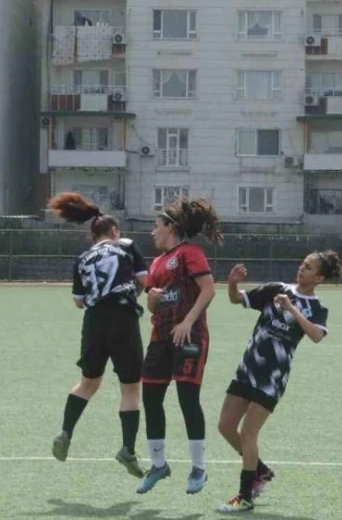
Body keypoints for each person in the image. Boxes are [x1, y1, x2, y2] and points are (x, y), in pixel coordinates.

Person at [216, 252, 341, 514]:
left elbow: (317, 335)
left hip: (272, 378)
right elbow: (236, 299)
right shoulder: (276, 289)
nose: (301, 269)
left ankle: (245, 495)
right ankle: (260, 470)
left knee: (249, 433)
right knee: (225, 426)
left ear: (318, 277)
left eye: (308, 268)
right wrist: (232, 283)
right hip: (247, 369)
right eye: (302, 264)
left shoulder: (317, 308)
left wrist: (291, 308)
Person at [47, 192, 148, 479]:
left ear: (93, 236)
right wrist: (132, 295)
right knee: (130, 387)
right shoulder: (126, 247)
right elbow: (143, 280)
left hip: (93, 321)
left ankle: (65, 431)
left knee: (88, 382)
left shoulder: (83, 258)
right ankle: (127, 449)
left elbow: (79, 301)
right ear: (114, 231)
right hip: (123, 317)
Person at [137, 196, 223, 495]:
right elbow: (151, 304)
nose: (152, 232)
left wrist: (187, 322)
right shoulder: (157, 262)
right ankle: (159, 465)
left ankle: (199, 467)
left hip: (189, 336)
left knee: (188, 400)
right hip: (160, 339)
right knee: (150, 398)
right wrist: (152, 298)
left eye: (155, 226)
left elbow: (209, 289)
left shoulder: (190, 252)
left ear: (170, 227)